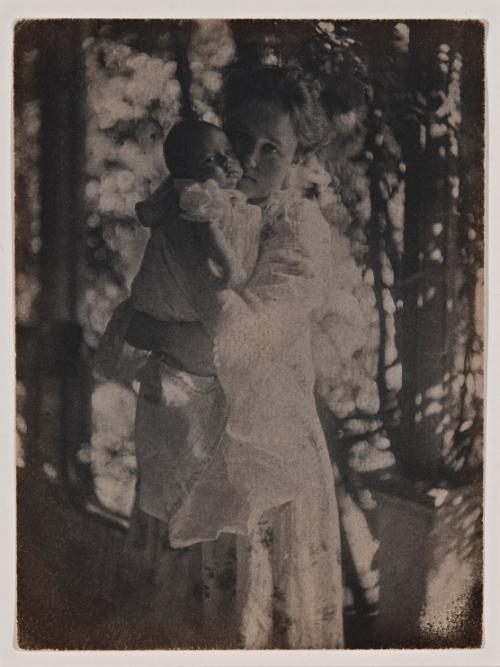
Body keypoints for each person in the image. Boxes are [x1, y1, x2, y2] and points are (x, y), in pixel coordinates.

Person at [105, 64, 345, 649]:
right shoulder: (185, 209)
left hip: (264, 470)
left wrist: (146, 326)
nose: (253, 160)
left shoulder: (296, 228)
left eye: (274, 150)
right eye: (240, 140)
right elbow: (115, 352)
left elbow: (232, 346)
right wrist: (141, 327)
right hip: (180, 456)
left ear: (296, 159)